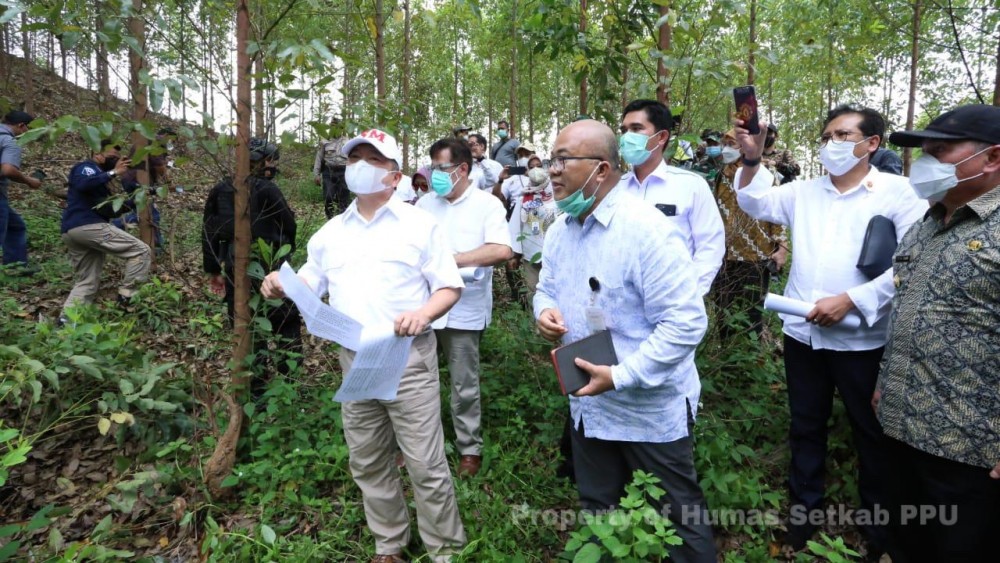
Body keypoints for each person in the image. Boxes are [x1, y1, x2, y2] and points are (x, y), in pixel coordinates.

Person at [261, 128, 466, 563]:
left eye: (373, 160)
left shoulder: (420, 225)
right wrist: (281, 284)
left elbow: (449, 287)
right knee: (369, 460)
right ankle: (389, 543)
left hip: (407, 356)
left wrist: (424, 313)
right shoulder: (332, 232)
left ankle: (445, 550)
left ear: (394, 176)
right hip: (354, 359)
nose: (360, 168)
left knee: (425, 465)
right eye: (355, 159)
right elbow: (311, 281)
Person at [732, 105, 928, 556]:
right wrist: (751, 159)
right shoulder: (805, 192)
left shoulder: (900, 193)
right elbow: (753, 201)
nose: (831, 144)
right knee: (805, 425)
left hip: (862, 341)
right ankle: (804, 518)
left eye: (843, 135)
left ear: (871, 143)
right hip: (804, 336)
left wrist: (852, 300)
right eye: (826, 136)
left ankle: (879, 532)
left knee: (871, 435)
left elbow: (913, 262)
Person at [535, 119, 716, 563]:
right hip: (589, 405)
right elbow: (548, 286)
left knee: (678, 518)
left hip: (648, 408)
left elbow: (686, 323)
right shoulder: (562, 228)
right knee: (599, 512)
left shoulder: (646, 232)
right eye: (551, 159)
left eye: (564, 160)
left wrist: (622, 376)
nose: (552, 171)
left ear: (601, 169)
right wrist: (544, 311)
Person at [875, 104, 1000, 563]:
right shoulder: (927, 224)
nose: (926, 161)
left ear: (993, 158)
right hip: (903, 425)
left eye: (942, 150)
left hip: (972, 448)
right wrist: (886, 382)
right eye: (923, 150)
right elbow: (908, 308)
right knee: (908, 543)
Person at [417, 137, 512, 477]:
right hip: (424, 308)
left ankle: (468, 448)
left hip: (464, 310)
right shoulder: (425, 204)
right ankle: (419, 446)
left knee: (463, 384)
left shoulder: (487, 205)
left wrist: (452, 261)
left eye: (440, 169)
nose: (434, 176)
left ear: (461, 169)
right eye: (431, 169)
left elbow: (501, 250)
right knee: (419, 380)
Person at [202, 138, 301, 397]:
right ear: (260, 161)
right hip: (271, 266)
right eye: (269, 161)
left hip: (236, 269)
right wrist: (285, 255)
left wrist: (215, 269)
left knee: (246, 323)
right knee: (284, 321)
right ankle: (289, 383)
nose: (272, 167)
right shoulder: (267, 190)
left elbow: (208, 232)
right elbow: (289, 225)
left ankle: (256, 385)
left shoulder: (220, 189)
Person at [617, 99, 725, 296]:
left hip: (675, 301)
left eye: (636, 128)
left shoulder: (690, 186)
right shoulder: (615, 188)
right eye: (624, 130)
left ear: (662, 137)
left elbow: (710, 245)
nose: (627, 137)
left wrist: (690, 294)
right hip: (622, 304)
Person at [711, 129, 787, 339]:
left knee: (751, 312)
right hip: (725, 255)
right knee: (724, 311)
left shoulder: (764, 175)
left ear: (746, 146)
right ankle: (727, 359)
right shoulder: (720, 175)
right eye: (724, 143)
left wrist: (782, 248)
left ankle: (751, 359)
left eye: (732, 144)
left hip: (756, 254)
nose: (726, 149)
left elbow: (777, 213)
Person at [61, 140, 150, 319]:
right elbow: (83, 184)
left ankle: (67, 322)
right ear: (97, 154)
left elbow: (108, 209)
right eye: (111, 157)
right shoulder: (87, 167)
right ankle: (126, 298)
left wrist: (136, 200)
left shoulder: (99, 180)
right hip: (87, 226)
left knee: (87, 281)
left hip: (75, 230)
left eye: (117, 158)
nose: (115, 160)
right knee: (140, 250)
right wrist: (114, 172)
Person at [503, 154, 558, 303]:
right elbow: (515, 227)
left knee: (557, 291)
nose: (535, 170)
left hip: (556, 253)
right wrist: (515, 255)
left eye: (538, 166)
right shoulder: (524, 199)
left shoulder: (558, 194)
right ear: (526, 172)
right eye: (531, 167)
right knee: (533, 291)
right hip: (531, 253)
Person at [0, 110, 42, 272]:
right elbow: (8, 170)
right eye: (27, 131)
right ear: (21, 126)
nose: (27, 135)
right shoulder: (10, 141)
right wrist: (30, 181)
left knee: (15, 226)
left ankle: (15, 267)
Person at [313, 119, 350, 218]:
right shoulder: (324, 141)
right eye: (333, 126)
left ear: (341, 128)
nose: (335, 128)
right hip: (328, 171)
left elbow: (353, 158)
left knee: (343, 199)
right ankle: (329, 218)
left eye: (338, 127)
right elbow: (319, 158)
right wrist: (316, 174)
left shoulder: (348, 141)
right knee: (328, 197)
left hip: (344, 172)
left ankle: (342, 220)